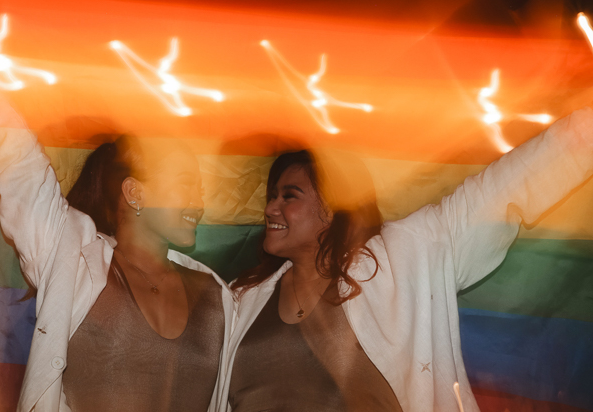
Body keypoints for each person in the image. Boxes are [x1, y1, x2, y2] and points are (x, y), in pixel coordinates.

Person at [219, 108, 593, 412]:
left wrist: (584, 129)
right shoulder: (239, 301)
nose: (271, 208)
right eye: (272, 196)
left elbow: (505, 187)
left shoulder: (400, 262)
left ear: (332, 207)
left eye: (289, 196)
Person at [0, 75, 234, 412]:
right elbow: (22, 164)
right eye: (186, 184)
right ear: (135, 193)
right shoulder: (72, 258)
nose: (199, 203)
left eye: (201, 190)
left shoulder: (217, 295)